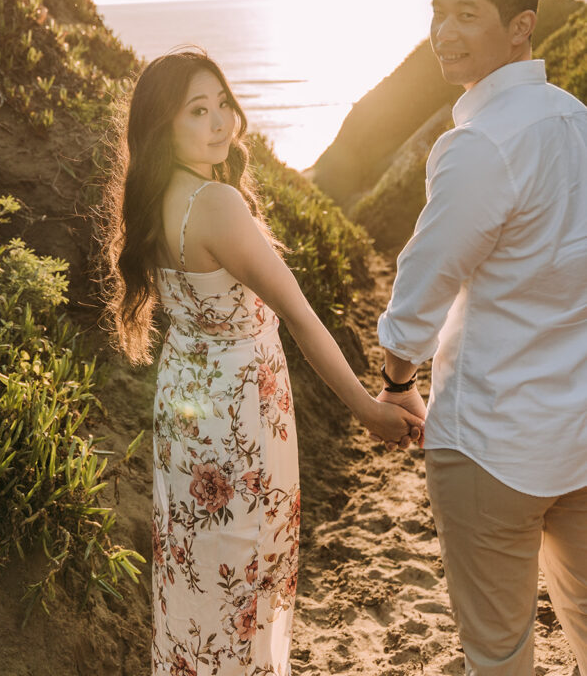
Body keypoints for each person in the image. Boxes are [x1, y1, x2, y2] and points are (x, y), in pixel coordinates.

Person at [107, 49, 423, 676]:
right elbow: (302, 320)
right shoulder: (217, 204)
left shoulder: (152, 199)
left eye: (222, 102)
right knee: (246, 576)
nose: (221, 121)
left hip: (186, 415)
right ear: (163, 126)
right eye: (198, 111)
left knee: (197, 576)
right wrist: (366, 408)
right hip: (240, 416)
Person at [376, 0, 587, 675]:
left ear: (521, 25)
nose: (444, 33)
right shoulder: (577, 123)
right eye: (439, 11)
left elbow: (417, 295)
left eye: (468, 13)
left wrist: (398, 383)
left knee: (498, 654)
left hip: (491, 443)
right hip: (580, 430)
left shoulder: (479, 144)